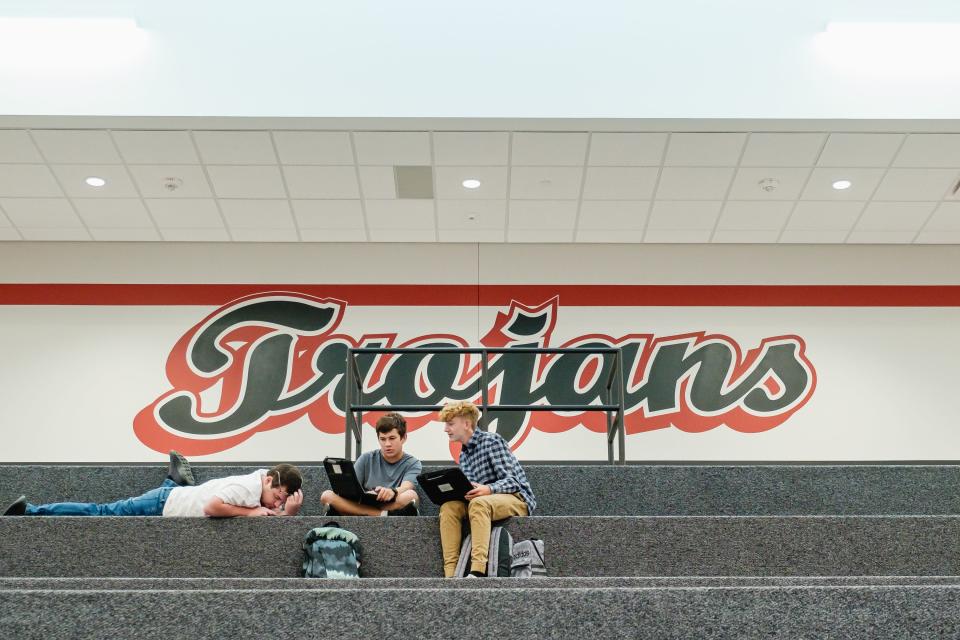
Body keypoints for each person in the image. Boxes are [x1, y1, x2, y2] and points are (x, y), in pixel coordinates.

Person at [2, 451, 304, 518]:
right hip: (163, 505)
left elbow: (268, 518)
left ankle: (175, 480)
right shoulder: (246, 489)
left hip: (174, 498)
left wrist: (286, 513)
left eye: (282, 499)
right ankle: (31, 511)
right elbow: (213, 508)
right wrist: (251, 514)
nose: (278, 502)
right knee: (103, 512)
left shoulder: (259, 488)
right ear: (268, 480)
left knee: (175, 490)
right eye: (279, 495)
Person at [438, 400, 536, 578]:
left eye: (450, 424)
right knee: (448, 508)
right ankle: (450, 574)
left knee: (479, 504)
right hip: (484, 499)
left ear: (467, 424)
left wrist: (488, 489)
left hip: (517, 498)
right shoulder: (463, 454)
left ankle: (477, 570)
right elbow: (473, 489)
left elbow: (513, 481)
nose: (446, 429)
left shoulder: (491, 441)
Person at [320, 412, 422, 516]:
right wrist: (366, 495)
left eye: (392, 438)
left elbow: (406, 487)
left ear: (403, 438)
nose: (387, 444)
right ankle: (380, 514)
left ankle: (363, 512)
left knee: (411, 495)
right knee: (326, 495)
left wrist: (392, 492)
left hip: (391, 501)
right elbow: (351, 490)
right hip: (365, 501)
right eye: (382, 439)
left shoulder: (413, 463)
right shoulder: (366, 458)